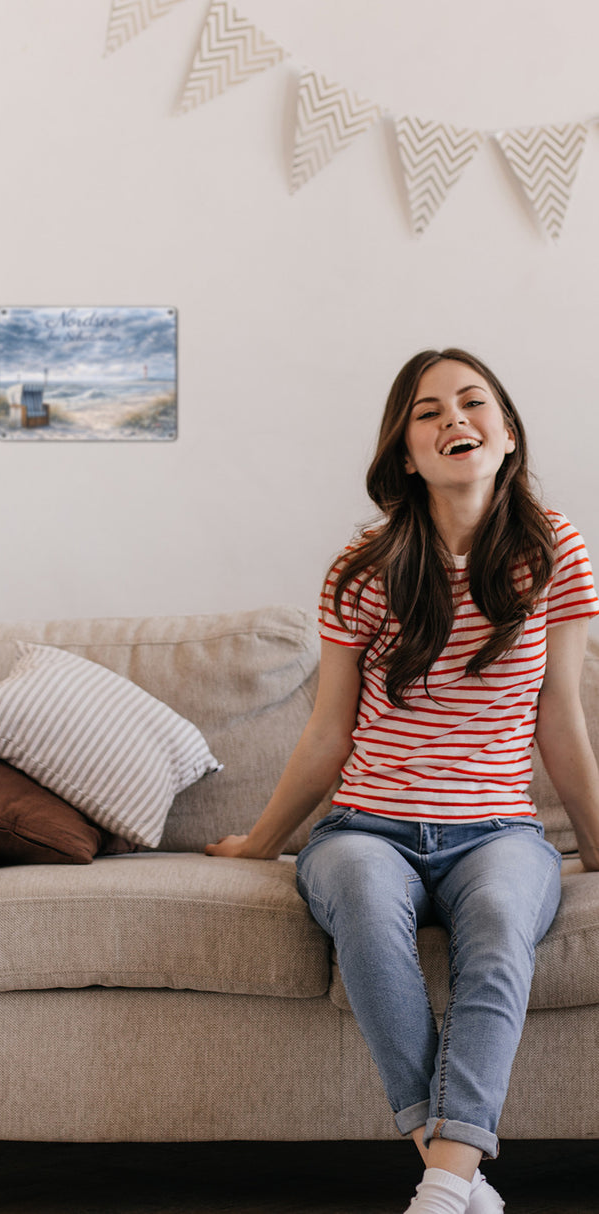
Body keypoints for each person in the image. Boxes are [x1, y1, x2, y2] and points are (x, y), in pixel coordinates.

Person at [206, 348, 599, 1214]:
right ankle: (456, 1176)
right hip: (364, 828)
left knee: (500, 921)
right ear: (406, 453)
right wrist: (262, 843)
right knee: (361, 905)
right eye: (428, 411)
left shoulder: (555, 550)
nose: (453, 419)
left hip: (498, 833)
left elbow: (559, 718)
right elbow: (328, 732)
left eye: (472, 403)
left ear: (506, 438)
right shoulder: (363, 566)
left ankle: (443, 1185)